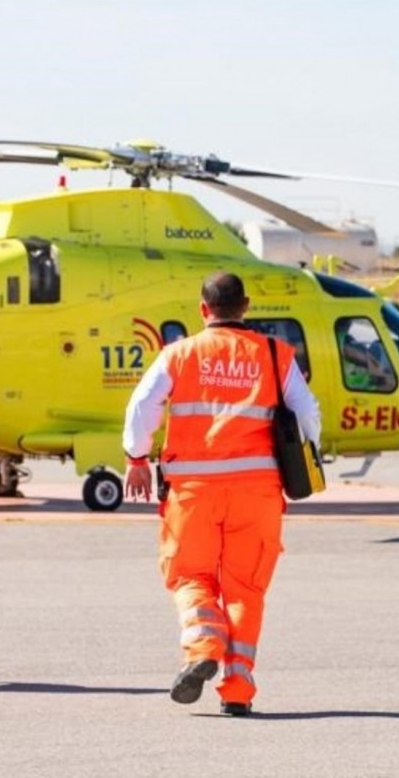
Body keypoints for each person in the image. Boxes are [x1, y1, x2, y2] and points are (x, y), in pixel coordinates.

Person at [122, 272, 321, 717]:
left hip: (193, 492)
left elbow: (141, 407)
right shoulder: (275, 354)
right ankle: (237, 690)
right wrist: (304, 456)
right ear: (246, 306)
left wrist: (136, 458)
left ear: (202, 309)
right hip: (258, 492)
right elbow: (308, 414)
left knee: (190, 576)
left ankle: (202, 648)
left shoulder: (180, 354)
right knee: (245, 588)